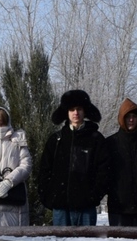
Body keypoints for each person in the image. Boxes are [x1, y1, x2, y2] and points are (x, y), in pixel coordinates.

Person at [37, 89, 112, 226]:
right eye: (71, 109)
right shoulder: (56, 139)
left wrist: (93, 196)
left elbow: (104, 171)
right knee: (60, 240)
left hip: (86, 208)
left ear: (85, 111)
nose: (75, 113)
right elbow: (44, 171)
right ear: (66, 112)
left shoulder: (96, 139)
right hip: (60, 208)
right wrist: (50, 197)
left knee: (86, 240)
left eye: (79, 109)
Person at [106, 98, 137, 226]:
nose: (131, 120)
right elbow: (104, 173)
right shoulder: (111, 143)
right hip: (118, 208)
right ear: (122, 118)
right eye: (128, 117)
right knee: (119, 239)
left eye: (134, 117)